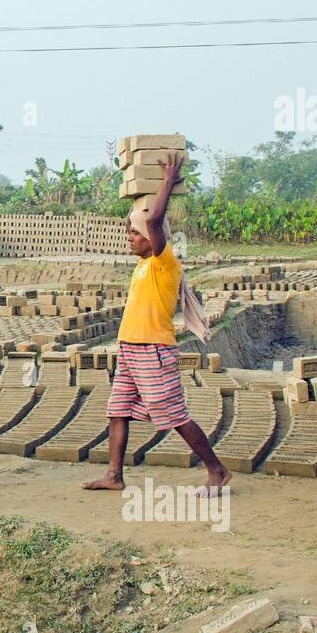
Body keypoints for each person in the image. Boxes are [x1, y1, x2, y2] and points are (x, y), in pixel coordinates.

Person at [83, 154, 231, 495]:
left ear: (153, 236)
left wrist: (166, 181)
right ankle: (114, 476)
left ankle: (217, 470)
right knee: (117, 411)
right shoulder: (142, 265)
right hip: (130, 351)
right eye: (128, 232)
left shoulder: (165, 263)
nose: (130, 238)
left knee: (174, 415)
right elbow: (148, 224)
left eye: (134, 233)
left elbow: (155, 219)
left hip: (154, 351)